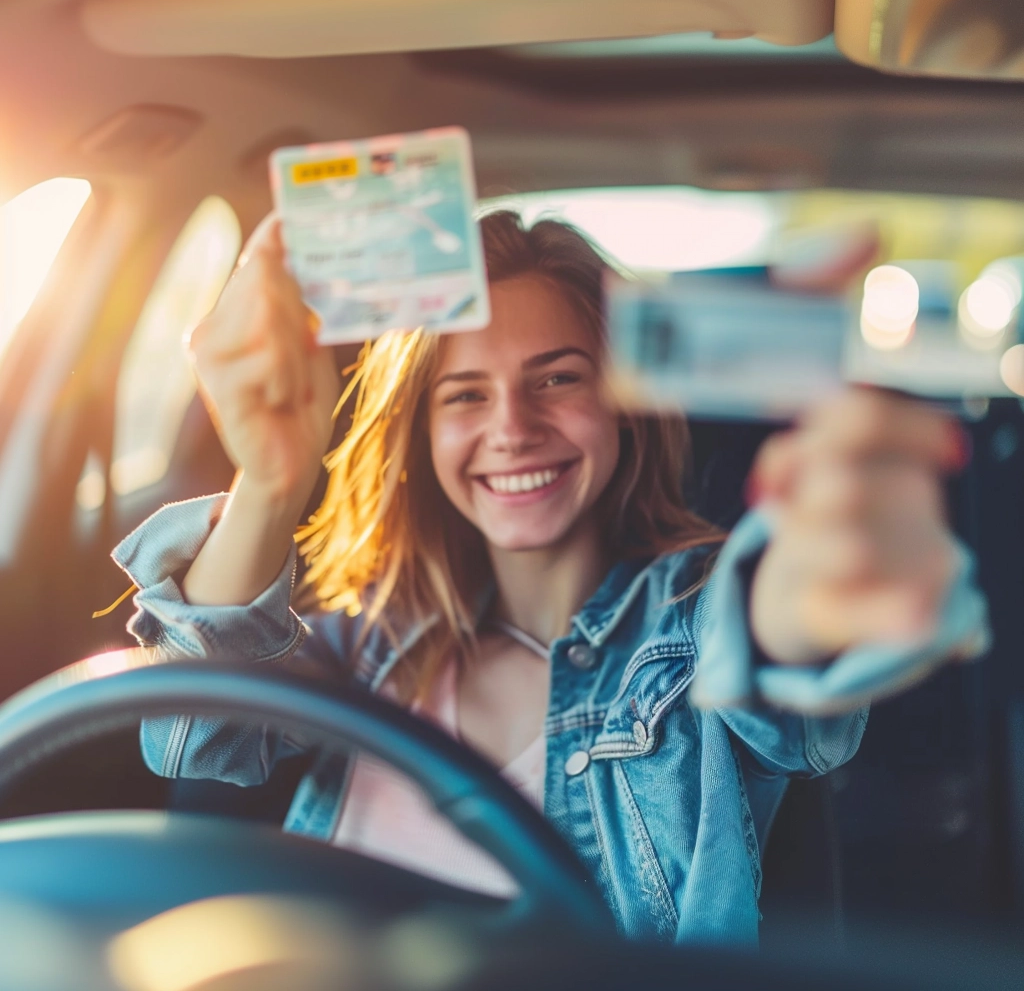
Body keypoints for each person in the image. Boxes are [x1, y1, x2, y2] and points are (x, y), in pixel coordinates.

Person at [113, 210, 988, 944]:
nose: (513, 428)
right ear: (420, 430)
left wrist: (826, 568)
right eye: (465, 394)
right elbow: (199, 737)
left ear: (623, 402)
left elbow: (779, 652)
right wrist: (268, 482)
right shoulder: (361, 642)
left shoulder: (688, 633)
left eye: (557, 379)